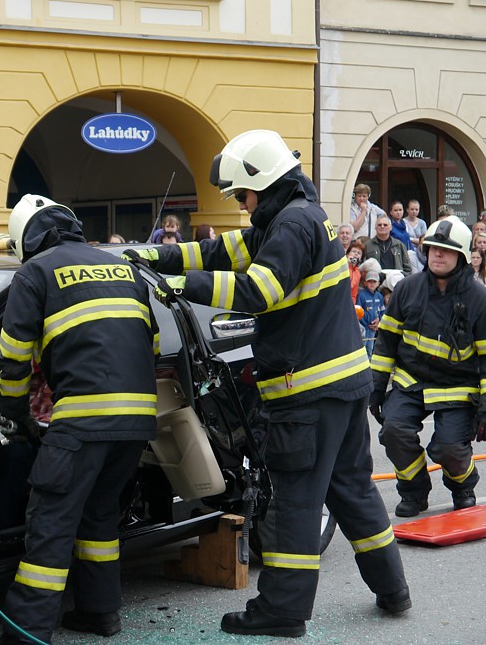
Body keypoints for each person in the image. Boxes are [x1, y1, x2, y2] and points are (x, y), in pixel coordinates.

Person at [129, 129, 409, 637]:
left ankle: (282, 610)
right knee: (352, 491)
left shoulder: (291, 226)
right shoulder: (298, 216)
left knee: (295, 502)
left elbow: (259, 290)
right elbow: (221, 251)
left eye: (242, 193)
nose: (240, 203)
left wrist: (180, 285)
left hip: (308, 393)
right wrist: (155, 258)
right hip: (342, 386)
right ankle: (393, 589)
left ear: (261, 182)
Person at [0, 194, 159, 645]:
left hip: (82, 420)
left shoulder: (36, 272)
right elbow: (152, 344)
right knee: (99, 514)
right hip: (138, 419)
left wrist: (17, 417)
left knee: (51, 522)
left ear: (27, 240)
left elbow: (13, 359)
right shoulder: (123, 269)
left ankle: (26, 633)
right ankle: (99, 612)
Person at [371, 216, 486, 517]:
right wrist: (376, 388)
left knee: (448, 448)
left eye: (446, 250)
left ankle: (463, 486)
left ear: (462, 256)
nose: (438, 254)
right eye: (433, 248)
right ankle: (414, 491)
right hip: (411, 382)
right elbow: (386, 343)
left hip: (458, 387)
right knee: (394, 431)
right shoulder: (407, 289)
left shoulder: (479, 300)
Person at [357, 271, 385, 359]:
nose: (372, 284)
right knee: (362, 348)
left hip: (374, 328)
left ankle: (369, 364)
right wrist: (366, 323)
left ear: (378, 283)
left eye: (374, 281)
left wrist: (379, 321)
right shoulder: (361, 295)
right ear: (365, 282)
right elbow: (358, 311)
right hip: (364, 328)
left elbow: (382, 311)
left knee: (370, 348)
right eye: (369, 281)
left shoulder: (379, 296)